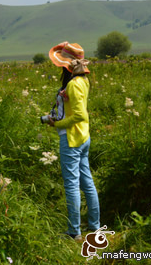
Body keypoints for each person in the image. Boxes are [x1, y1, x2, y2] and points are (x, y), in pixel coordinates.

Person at [47, 42, 100, 240]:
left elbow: (79, 115)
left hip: (72, 138)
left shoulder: (73, 84)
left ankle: (74, 232)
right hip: (83, 137)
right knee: (87, 182)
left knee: (71, 184)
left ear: (66, 66)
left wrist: (57, 124)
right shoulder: (83, 82)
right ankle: (94, 227)